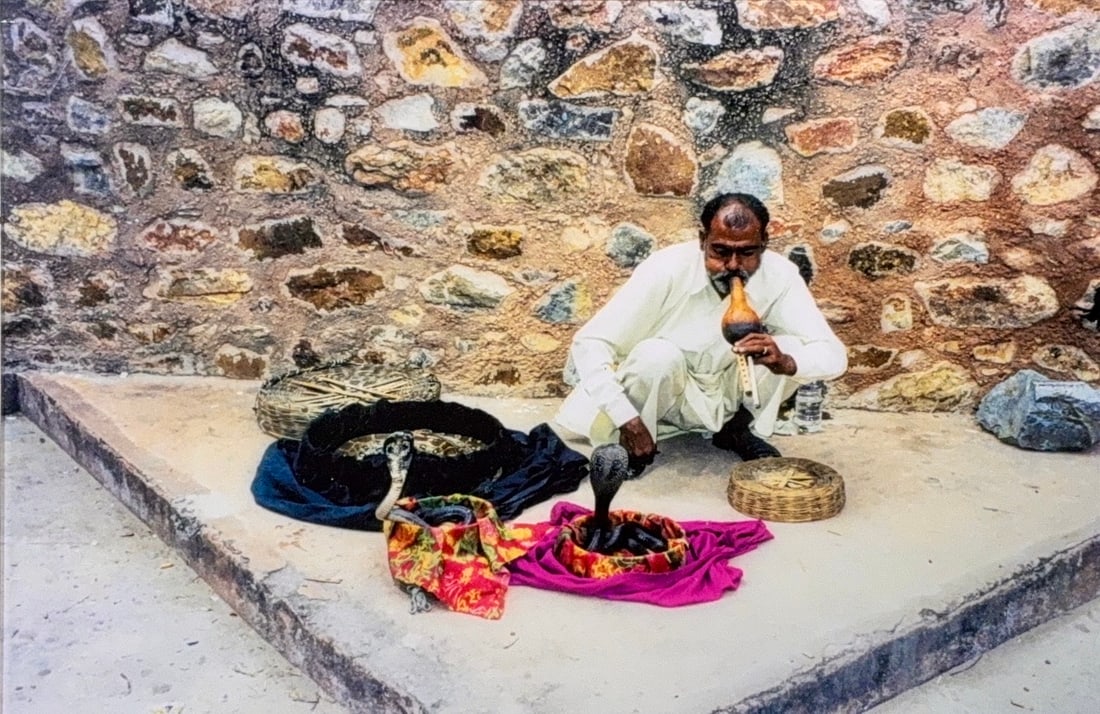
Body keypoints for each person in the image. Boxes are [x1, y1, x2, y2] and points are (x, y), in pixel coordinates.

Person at [554, 192, 847, 469]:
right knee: (656, 355)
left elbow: (833, 354)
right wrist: (625, 417)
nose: (733, 265)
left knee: (790, 347)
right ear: (702, 240)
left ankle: (735, 428)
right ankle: (636, 441)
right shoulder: (665, 268)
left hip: (724, 388)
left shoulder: (780, 275)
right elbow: (589, 343)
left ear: (764, 242)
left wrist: (785, 362)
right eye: (720, 251)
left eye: (747, 252)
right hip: (663, 388)